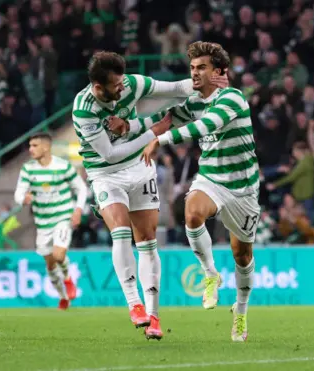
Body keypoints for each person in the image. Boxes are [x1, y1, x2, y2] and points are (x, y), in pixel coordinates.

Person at [71, 51, 228, 340]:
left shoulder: (131, 83)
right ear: (97, 87)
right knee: (119, 231)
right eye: (115, 85)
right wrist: (153, 133)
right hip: (106, 173)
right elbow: (110, 152)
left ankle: (154, 318)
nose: (122, 88)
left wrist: (206, 81)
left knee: (147, 242)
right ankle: (134, 304)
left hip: (140, 169)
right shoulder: (84, 109)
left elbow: (174, 89)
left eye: (122, 82)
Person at [138, 41, 259, 342]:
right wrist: (126, 127)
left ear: (218, 72)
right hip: (212, 180)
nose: (194, 73)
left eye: (201, 67)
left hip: (243, 188)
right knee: (192, 213)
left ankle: (240, 313)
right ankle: (210, 274)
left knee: (241, 254)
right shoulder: (194, 102)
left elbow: (204, 126)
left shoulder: (233, 98)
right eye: (192, 67)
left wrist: (162, 140)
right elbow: (161, 119)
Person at [13, 133, 88, 310]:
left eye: (34, 145)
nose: (30, 149)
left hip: (62, 217)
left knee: (59, 255)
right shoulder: (28, 169)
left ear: (46, 147)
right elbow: (18, 193)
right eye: (30, 146)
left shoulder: (63, 166)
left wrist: (78, 209)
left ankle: (68, 280)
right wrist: (23, 199)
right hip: (42, 223)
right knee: (50, 264)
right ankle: (63, 296)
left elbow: (81, 188)